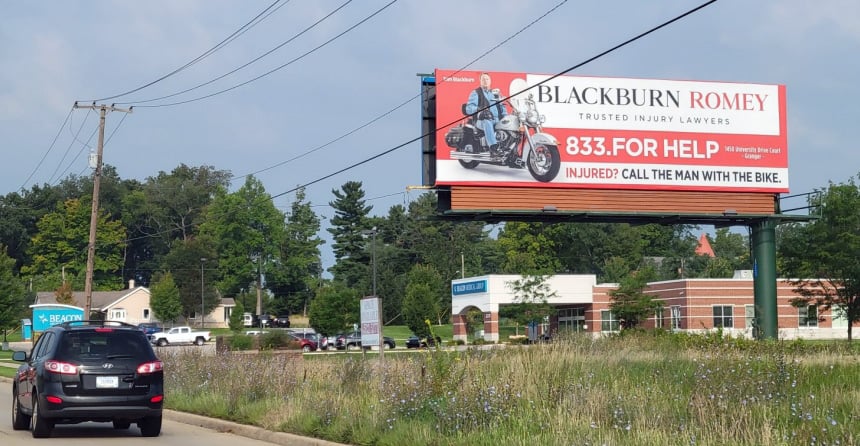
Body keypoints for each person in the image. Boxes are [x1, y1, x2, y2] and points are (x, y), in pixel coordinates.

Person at [465, 72, 506, 152]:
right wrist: (480, 110)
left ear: (490, 81)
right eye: (483, 79)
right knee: (487, 122)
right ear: (480, 81)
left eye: (487, 79)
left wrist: (506, 117)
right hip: (481, 121)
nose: (485, 81)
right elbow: (469, 108)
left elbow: (502, 107)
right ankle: (493, 148)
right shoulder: (476, 93)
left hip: (497, 120)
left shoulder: (495, 94)